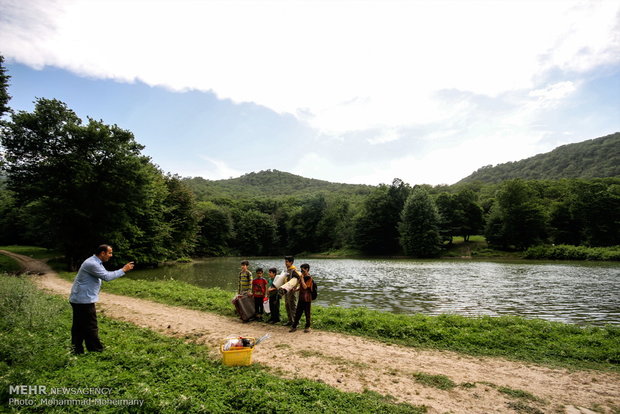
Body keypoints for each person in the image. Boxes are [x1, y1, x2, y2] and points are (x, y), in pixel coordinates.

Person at [68, 244, 134, 354]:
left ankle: (77, 350)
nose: (111, 255)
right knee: (91, 326)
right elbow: (107, 277)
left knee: (79, 326)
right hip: (83, 300)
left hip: (80, 298)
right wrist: (123, 270)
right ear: (102, 253)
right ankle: (96, 350)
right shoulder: (92, 263)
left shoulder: (95, 262)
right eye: (109, 253)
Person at [289, 263, 314, 333]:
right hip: (301, 298)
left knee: (307, 313)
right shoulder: (302, 277)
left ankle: (307, 327)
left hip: (307, 299)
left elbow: (305, 287)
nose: (302, 271)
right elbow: (301, 287)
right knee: (298, 312)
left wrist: (302, 279)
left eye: (303, 270)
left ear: (307, 270)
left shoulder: (309, 278)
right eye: (301, 270)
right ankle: (294, 326)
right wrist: (295, 289)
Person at [281, 256, 300, 326]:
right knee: (287, 305)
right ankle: (290, 320)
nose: (285, 263)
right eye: (285, 261)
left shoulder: (294, 270)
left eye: (287, 262)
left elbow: (300, 278)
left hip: (292, 291)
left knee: (292, 306)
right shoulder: (287, 270)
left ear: (291, 262)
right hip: (286, 291)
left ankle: (296, 322)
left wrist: (296, 287)